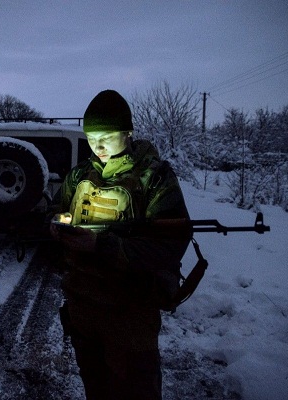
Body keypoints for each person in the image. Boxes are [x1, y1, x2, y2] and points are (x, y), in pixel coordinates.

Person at [51, 90, 190, 399]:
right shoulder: (78, 176)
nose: (98, 146)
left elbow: (169, 245)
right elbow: (56, 210)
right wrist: (59, 226)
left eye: (108, 136)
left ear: (128, 133)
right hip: (83, 314)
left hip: (130, 320)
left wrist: (102, 246)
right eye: (91, 138)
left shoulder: (153, 177)